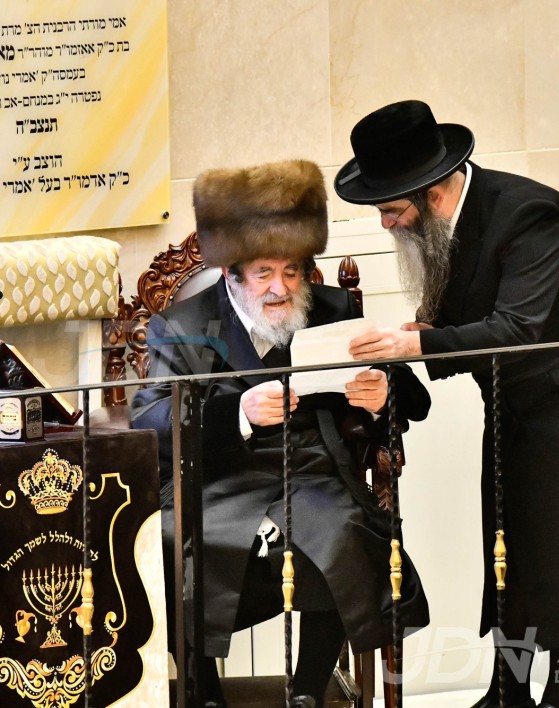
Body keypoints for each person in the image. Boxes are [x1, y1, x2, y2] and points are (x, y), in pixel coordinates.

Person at [335, 99, 559, 708]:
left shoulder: (529, 213)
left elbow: (517, 328)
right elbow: (465, 325)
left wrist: (416, 343)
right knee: (512, 551)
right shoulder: (446, 228)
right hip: (518, 401)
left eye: (391, 210)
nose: (385, 225)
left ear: (433, 194)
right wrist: (419, 337)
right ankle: (506, 689)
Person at [131, 159, 431, 708]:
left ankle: (308, 692)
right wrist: (238, 412)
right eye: (264, 273)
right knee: (174, 545)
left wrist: (383, 395)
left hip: (313, 476)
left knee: (345, 535)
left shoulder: (334, 309)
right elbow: (149, 420)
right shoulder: (183, 326)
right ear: (232, 274)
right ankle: (204, 694)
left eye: (292, 272)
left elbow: (413, 398)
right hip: (218, 481)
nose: (280, 289)